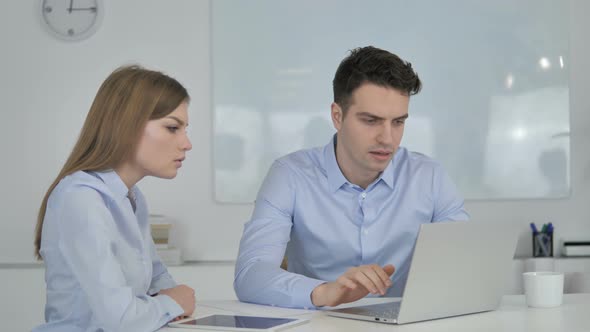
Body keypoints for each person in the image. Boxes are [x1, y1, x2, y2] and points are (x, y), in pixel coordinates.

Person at [234, 46, 469, 309]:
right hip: (320, 324)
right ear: (337, 116)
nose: (387, 138)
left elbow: (465, 266)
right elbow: (250, 276)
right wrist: (325, 292)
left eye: (398, 122)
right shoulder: (290, 175)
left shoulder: (430, 177)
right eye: (371, 121)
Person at [33, 66, 195, 331]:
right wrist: (173, 303)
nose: (187, 143)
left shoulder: (132, 198)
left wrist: (172, 298)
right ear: (127, 126)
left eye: (185, 129)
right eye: (172, 128)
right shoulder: (79, 198)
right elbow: (121, 320)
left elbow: (156, 278)